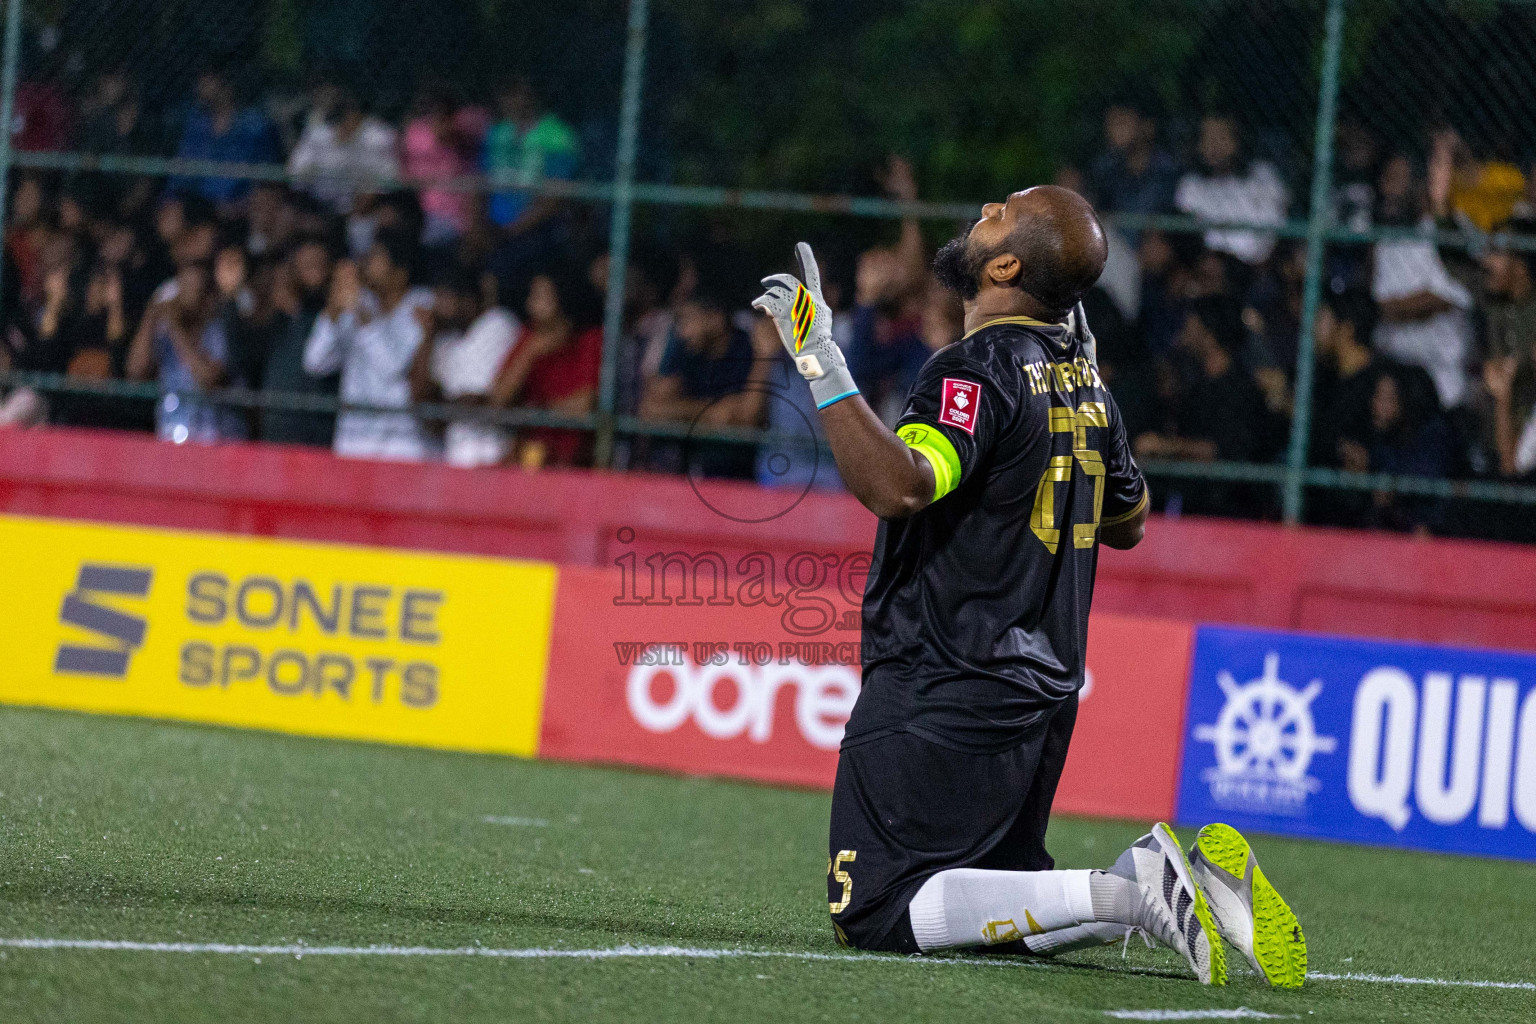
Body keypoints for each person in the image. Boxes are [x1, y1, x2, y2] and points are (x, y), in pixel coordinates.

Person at [751, 187, 1304, 986]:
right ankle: (1201, 900)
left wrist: (819, 361)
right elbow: (1131, 519)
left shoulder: (971, 370)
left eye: (1001, 212)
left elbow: (901, 488)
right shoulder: (1088, 384)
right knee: (998, 911)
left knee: (874, 909)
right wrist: (1080, 398)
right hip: (1041, 698)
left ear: (1005, 266)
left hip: (945, 679)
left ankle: (1132, 891)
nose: (981, 206)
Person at [303, 227, 438, 461]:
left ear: (400, 273)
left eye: (377, 257)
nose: (367, 262)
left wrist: (361, 314)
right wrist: (334, 309)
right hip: (354, 443)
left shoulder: (421, 306)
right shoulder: (360, 300)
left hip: (399, 447)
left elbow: (392, 367)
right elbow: (314, 363)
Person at [484, 267, 603, 468]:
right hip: (529, 456)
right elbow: (498, 399)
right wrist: (529, 354)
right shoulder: (528, 338)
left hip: (574, 460)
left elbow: (586, 403)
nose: (530, 303)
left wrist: (538, 411)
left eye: (540, 296)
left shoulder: (590, 340)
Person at [126, 259, 247, 444]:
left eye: (198, 289)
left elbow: (208, 379)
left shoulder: (219, 328)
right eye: (186, 286)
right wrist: (151, 315)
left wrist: (176, 327)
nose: (192, 296)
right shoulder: (164, 332)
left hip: (216, 441)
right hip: (171, 437)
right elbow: (135, 371)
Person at [409, 266, 520, 468]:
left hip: (495, 456)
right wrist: (427, 335)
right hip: (454, 459)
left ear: (468, 300)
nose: (439, 307)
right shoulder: (444, 340)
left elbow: (482, 402)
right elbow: (420, 396)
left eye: (446, 298)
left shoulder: (498, 323)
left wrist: (445, 406)